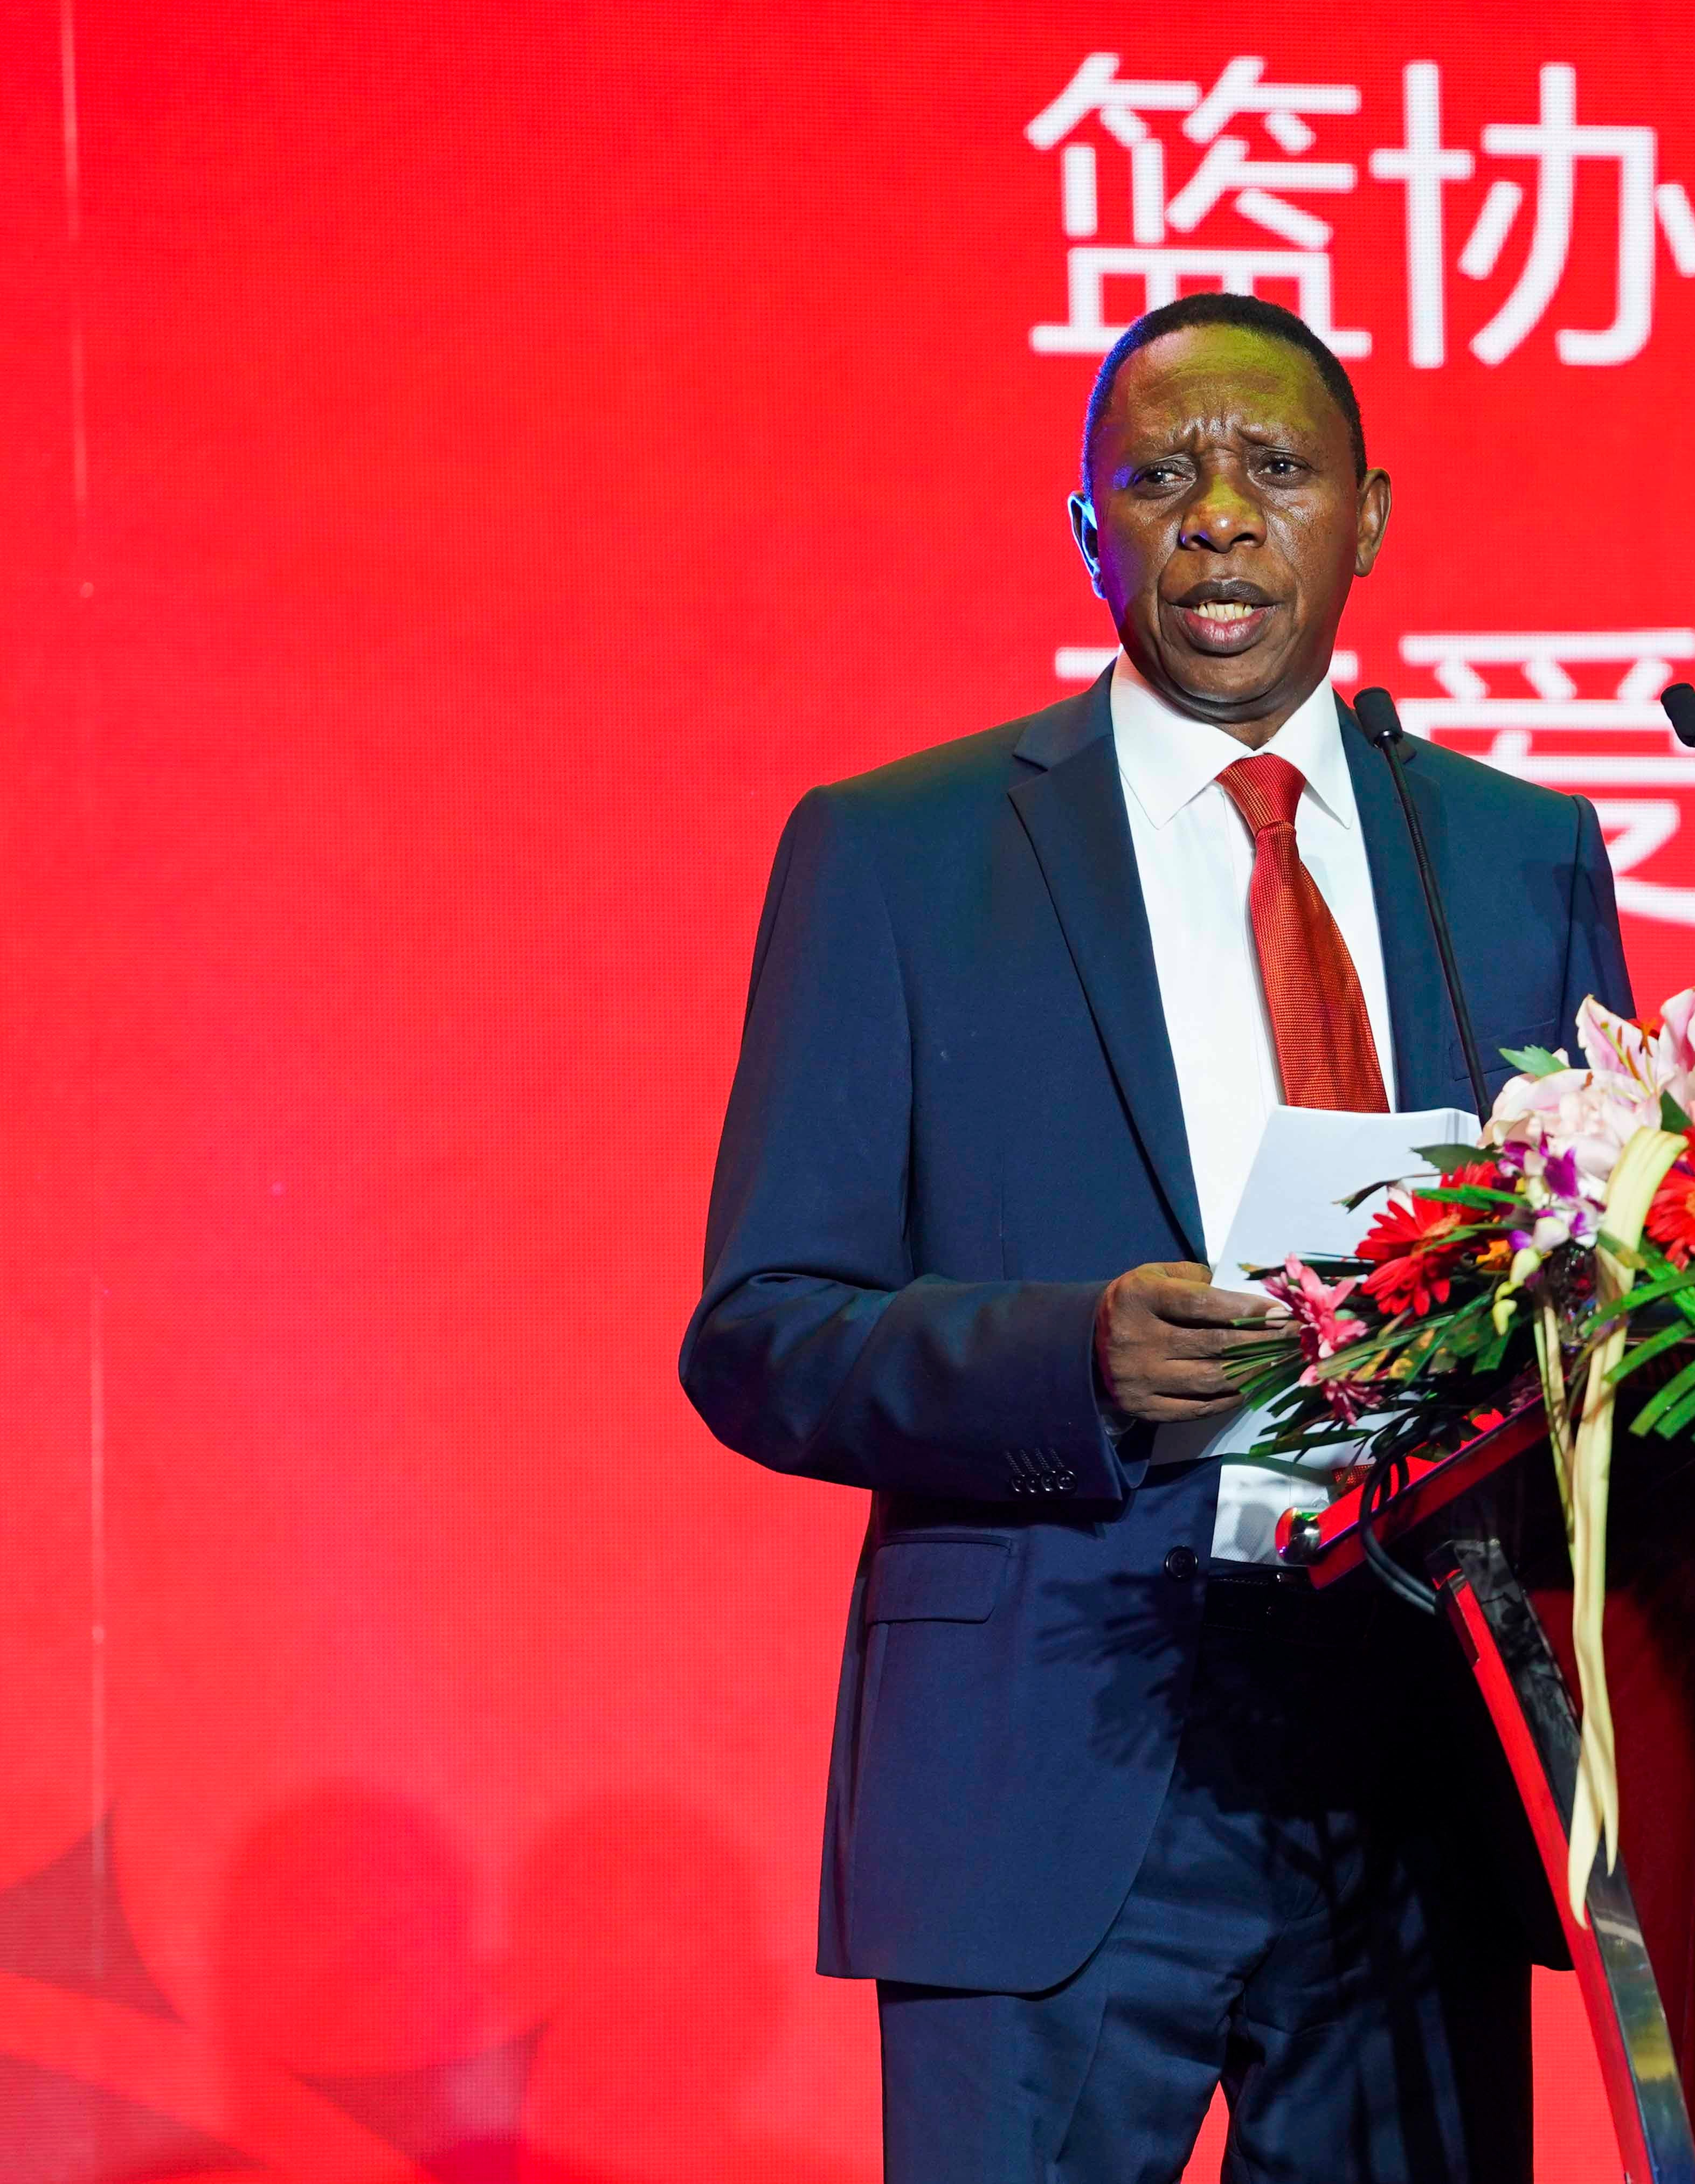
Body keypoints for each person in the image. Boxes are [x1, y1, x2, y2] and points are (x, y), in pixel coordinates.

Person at [681, 292, 1634, 2183]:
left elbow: (1601, 1272)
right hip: (1050, 1747)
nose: (1217, 516)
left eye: (1274, 471)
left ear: (1366, 518)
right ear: (1086, 528)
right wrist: (1070, 1360)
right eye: (1162, 476)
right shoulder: (905, 851)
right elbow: (760, 1328)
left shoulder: (1519, 854)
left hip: (1417, 1759)